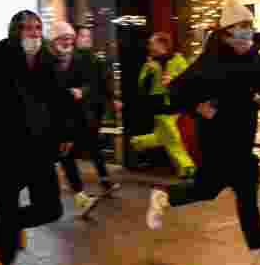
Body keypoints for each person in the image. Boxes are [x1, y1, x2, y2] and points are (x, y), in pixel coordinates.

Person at [145, 1, 260, 265]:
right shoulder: (209, 62)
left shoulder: (254, 58)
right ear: (226, 32)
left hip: (242, 138)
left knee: (217, 191)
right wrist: (196, 107)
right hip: (216, 140)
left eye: (249, 27)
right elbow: (176, 91)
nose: (247, 33)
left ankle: (165, 196)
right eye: (242, 27)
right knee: (232, 189)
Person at [0, 10, 75, 265]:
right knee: (7, 209)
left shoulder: (47, 59)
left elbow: (60, 99)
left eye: (37, 28)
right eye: (27, 28)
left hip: (39, 148)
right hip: (5, 151)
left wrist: (65, 132)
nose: (34, 33)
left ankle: (13, 224)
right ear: (16, 31)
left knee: (51, 209)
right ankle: (2, 260)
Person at [50, 21, 103, 213]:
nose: (67, 42)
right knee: (62, 156)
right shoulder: (46, 60)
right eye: (63, 39)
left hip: (74, 115)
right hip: (53, 117)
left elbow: (89, 83)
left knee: (68, 155)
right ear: (55, 40)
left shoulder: (78, 59)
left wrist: (81, 91)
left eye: (70, 39)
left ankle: (81, 196)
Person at [130, 32, 197, 179]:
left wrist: (173, 79)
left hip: (176, 103)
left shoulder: (178, 59)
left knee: (164, 136)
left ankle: (138, 142)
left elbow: (189, 80)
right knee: (172, 136)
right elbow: (142, 87)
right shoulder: (149, 64)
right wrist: (151, 73)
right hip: (158, 104)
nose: (149, 46)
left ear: (162, 44)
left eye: (152, 43)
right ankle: (187, 167)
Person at [73, 25, 122, 193]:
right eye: (83, 36)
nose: (87, 39)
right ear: (76, 38)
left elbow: (103, 80)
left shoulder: (94, 58)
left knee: (92, 143)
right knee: (90, 144)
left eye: (88, 36)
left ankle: (101, 180)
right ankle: (103, 180)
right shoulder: (71, 58)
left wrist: (113, 98)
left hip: (94, 107)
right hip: (78, 108)